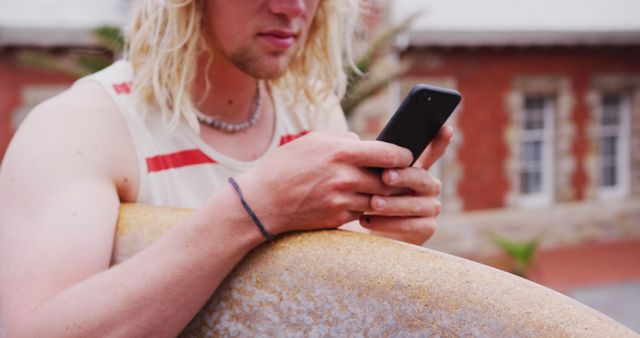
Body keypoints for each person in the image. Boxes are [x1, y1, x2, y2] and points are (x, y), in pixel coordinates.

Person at [0, 0, 453, 336]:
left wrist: (385, 234)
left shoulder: (310, 110)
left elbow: (316, 291)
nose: (292, 7)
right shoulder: (82, 124)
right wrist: (250, 210)